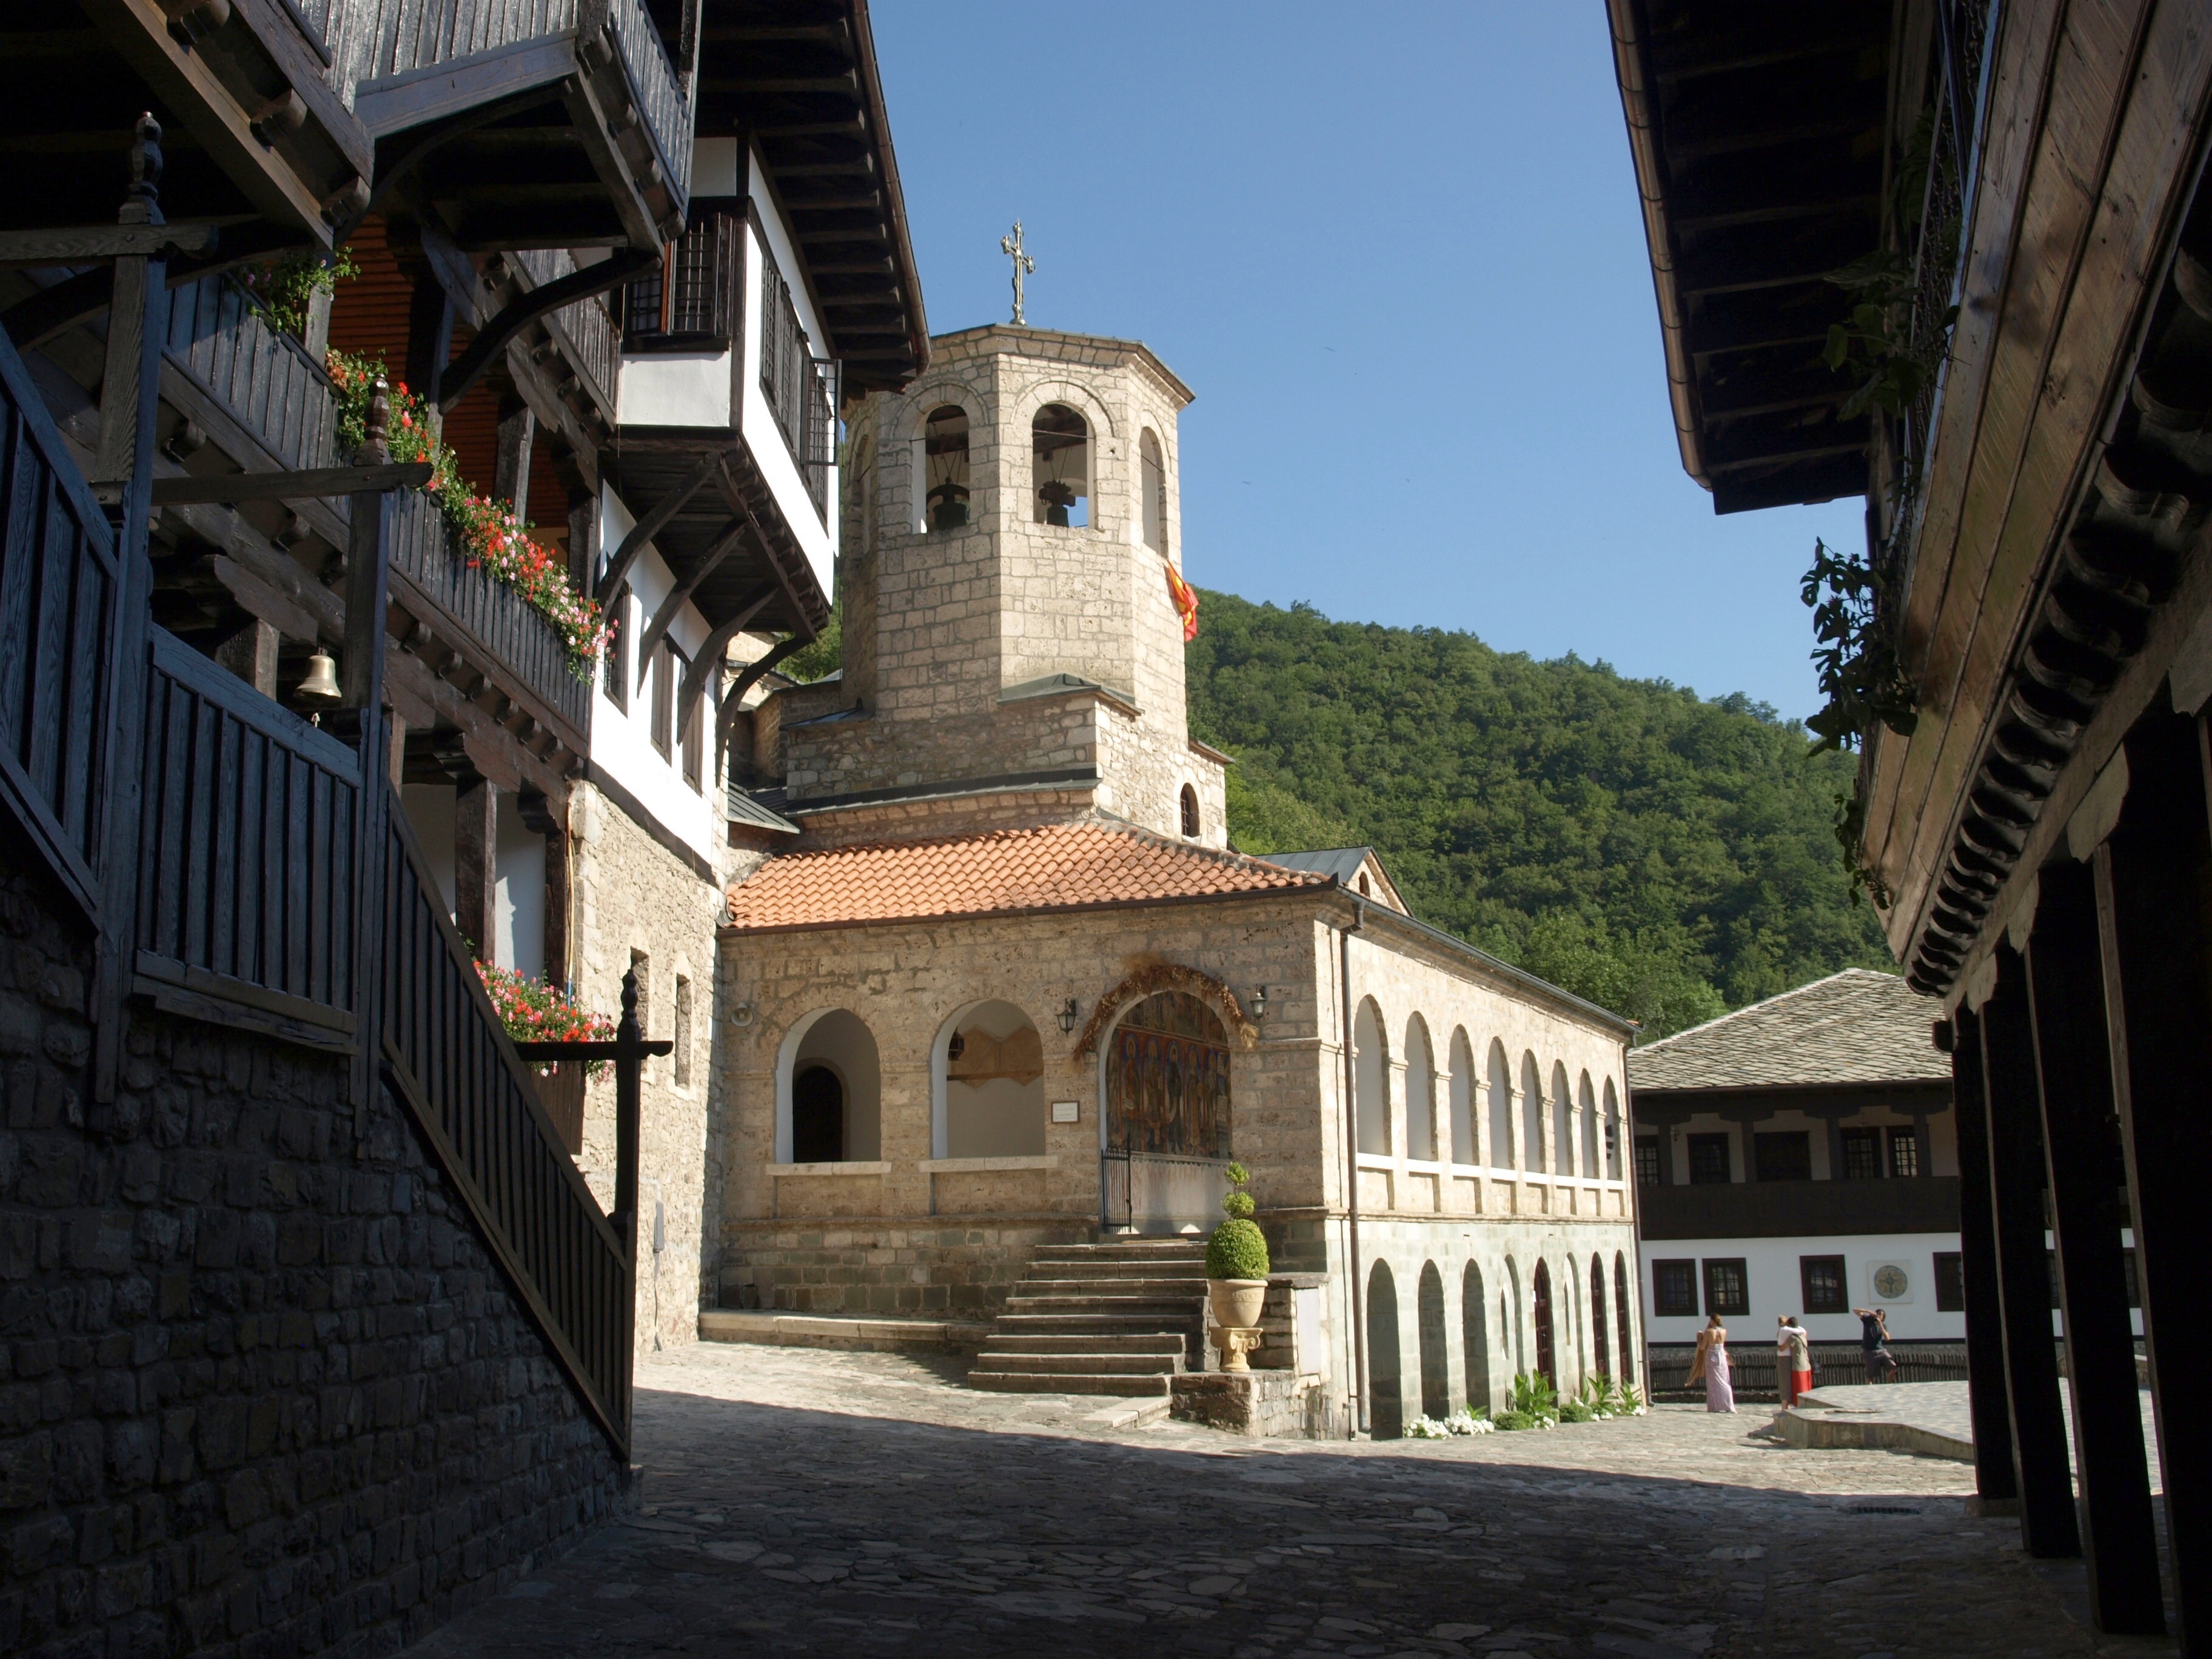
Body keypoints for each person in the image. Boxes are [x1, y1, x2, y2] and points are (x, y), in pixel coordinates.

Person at [1688, 1312, 1734, 1413]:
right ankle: (1728, 1404)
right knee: (1725, 1381)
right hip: (1721, 1357)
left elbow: (1702, 1347)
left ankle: (1715, 1406)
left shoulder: (1709, 1332)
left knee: (1713, 1382)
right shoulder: (1724, 1331)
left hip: (1712, 1357)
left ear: (1712, 1321)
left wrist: (1699, 1338)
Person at [1854, 1305, 1899, 1383]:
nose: (1878, 1315)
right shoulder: (1868, 1320)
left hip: (1881, 1350)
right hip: (1869, 1351)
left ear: (1883, 1318)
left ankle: (1889, 1385)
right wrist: (1868, 1311)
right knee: (1870, 1375)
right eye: (1877, 1313)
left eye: (1880, 1315)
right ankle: (1869, 1390)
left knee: (1893, 1368)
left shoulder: (1883, 1326)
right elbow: (1855, 1310)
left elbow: (1888, 1338)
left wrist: (1880, 1325)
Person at [1780, 1315, 1814, 1406]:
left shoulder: (1793, 1338)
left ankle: (1800, 1405)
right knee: (1806, 1388)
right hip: (1807, 1365)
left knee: (1799, 1388)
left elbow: (1782, 1348)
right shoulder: (1803, 1335)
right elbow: (1803, 1330)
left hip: (1798, 1365)